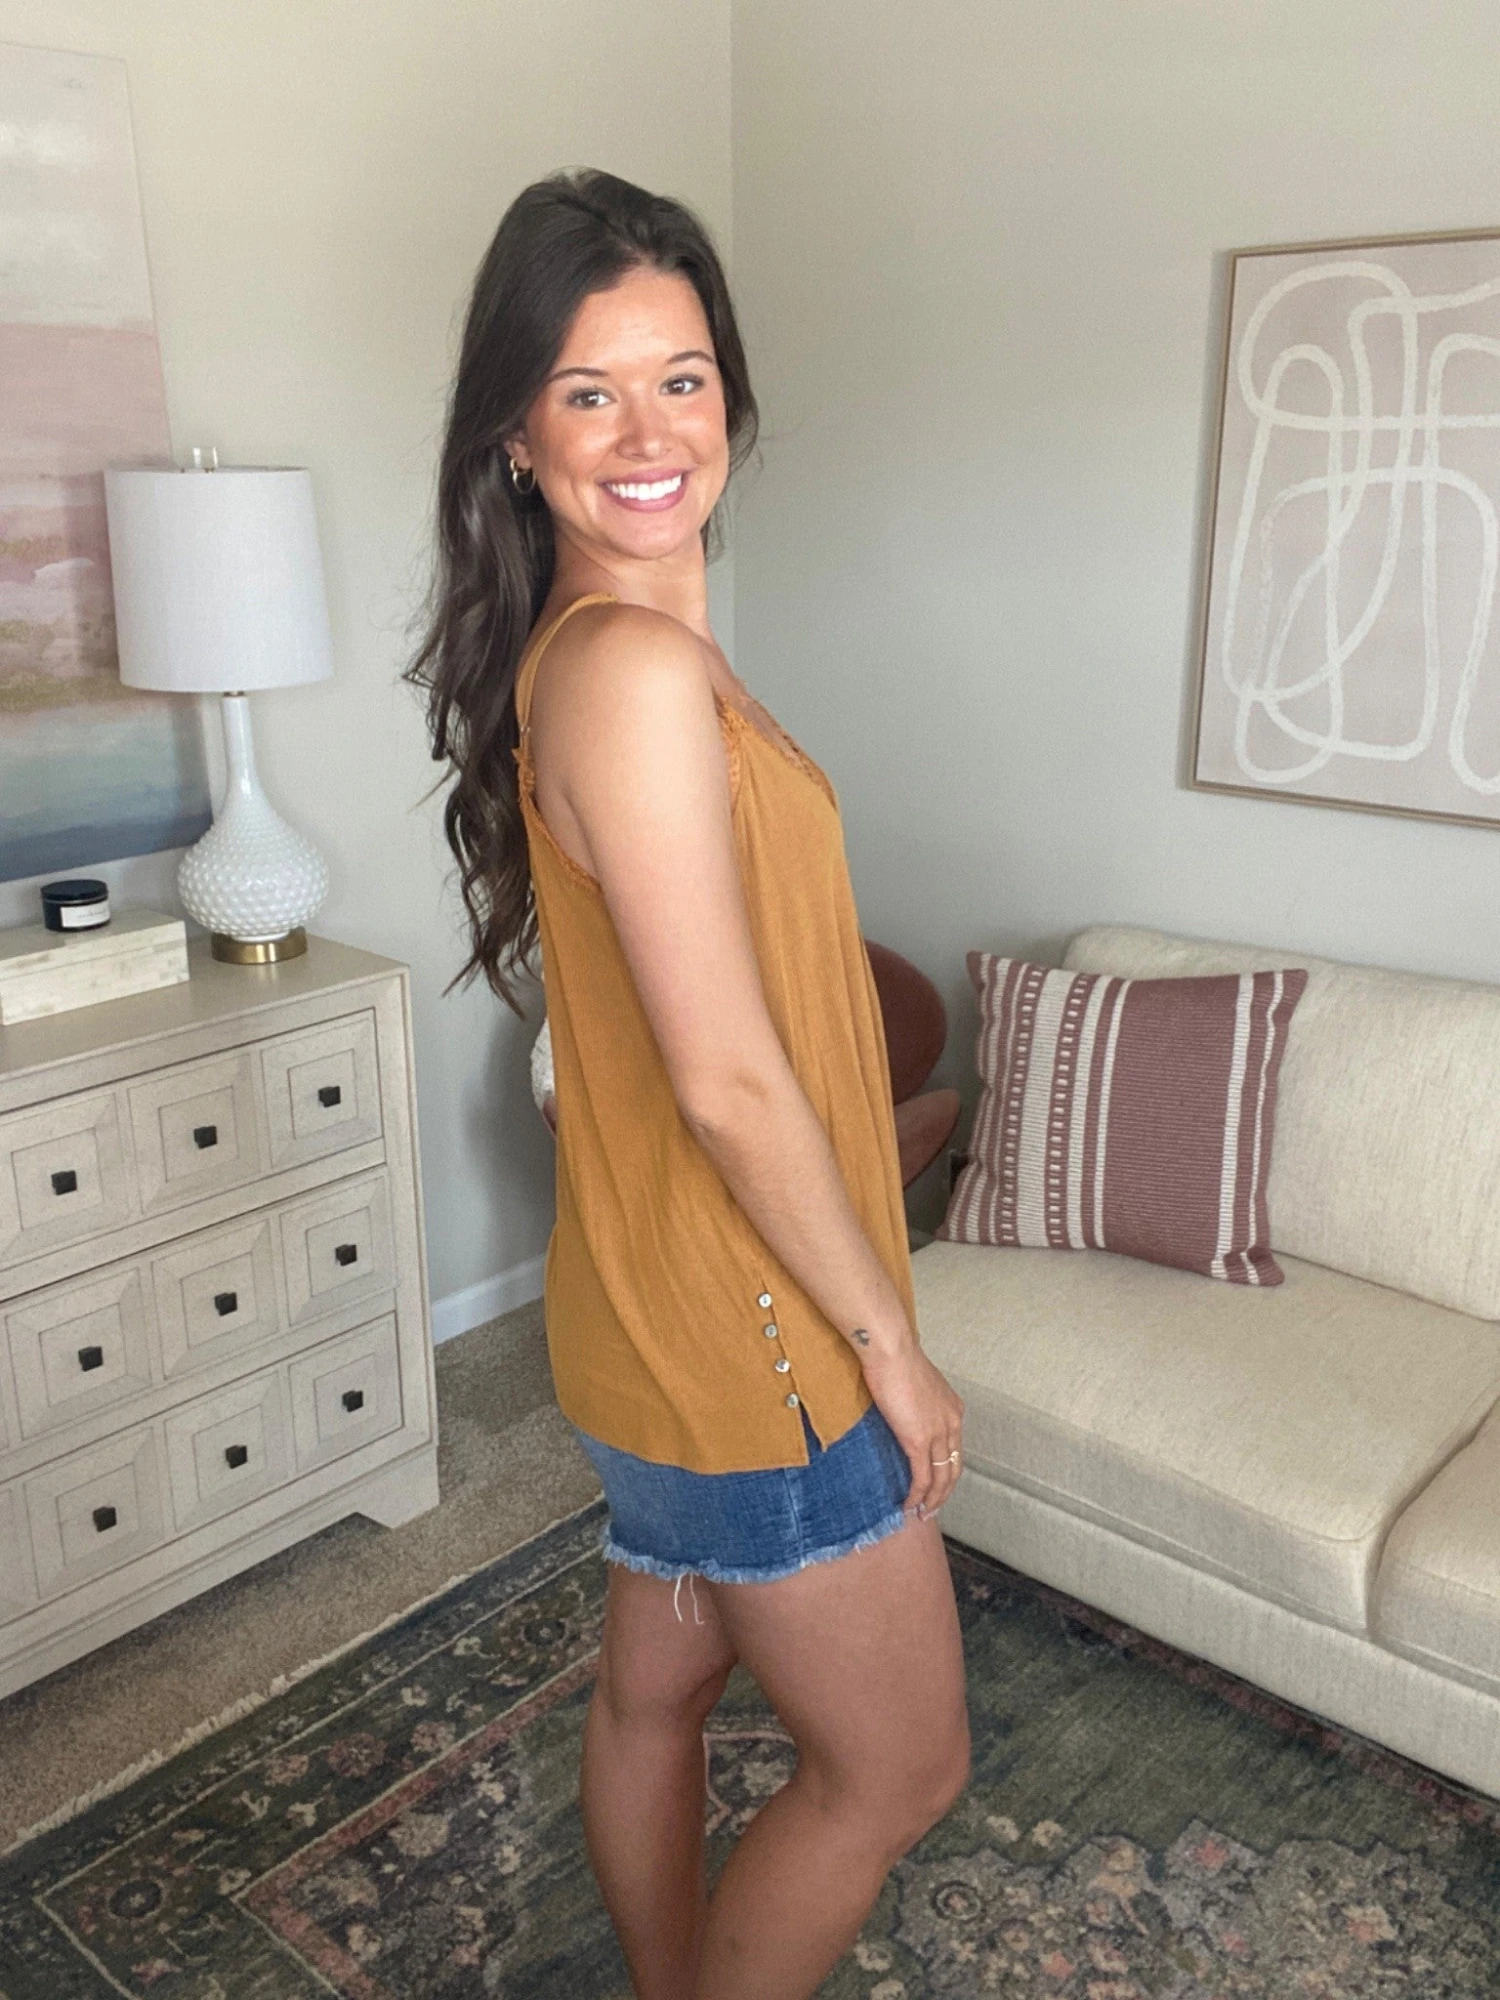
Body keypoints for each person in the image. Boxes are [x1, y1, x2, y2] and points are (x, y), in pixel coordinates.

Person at [407, 167, 970, 2000]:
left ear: (731, 394)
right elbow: (728, 1082)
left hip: (652, 1317)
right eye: (589, 392)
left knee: (654, 1699)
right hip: (757, 1351)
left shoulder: (605, 657)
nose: (650, 435)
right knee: (897, 1774)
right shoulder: (634, 671)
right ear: (516, 435)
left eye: (682, 378)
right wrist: (887, 1344)